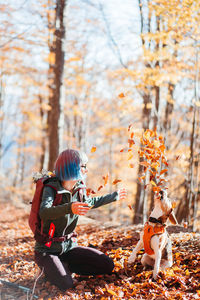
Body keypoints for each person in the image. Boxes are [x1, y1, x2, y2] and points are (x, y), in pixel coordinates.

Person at [34, 149, 127, 291]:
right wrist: (70, 208)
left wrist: (114, 196)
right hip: (47, 250)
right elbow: (44, 212)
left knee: (107, 265)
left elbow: (91, 202)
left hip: (69, 247)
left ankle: (63, 266)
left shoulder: (79, 188)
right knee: (66, 284)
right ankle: (47, 269)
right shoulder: (51, 188)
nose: (86, 170)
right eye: (84, 166)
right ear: (72, 167)